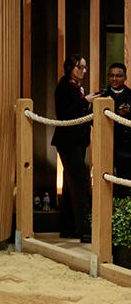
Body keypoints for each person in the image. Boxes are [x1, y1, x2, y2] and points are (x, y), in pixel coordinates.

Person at [53, 54, 99, 242]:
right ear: (70, 67)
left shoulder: (76, 86)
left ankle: (68, 228)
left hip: (78, 140)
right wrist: (86, 100)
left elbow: (79, 111)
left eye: (85, 67)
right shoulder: (63, 86)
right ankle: (84, 231)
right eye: (80, 67)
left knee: (70, 184)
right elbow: (65, 113)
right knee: (79, 183)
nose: (84, 71)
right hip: (68, 141)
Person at [101, 63, 131, 198]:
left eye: (118, 76)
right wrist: (116, 113)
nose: (114, 79)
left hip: (127, 147)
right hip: (107, 144)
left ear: (125, 77)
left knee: (125, 181)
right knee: (104, 180)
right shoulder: (101, 96)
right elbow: (91, 119)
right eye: (111, 75)